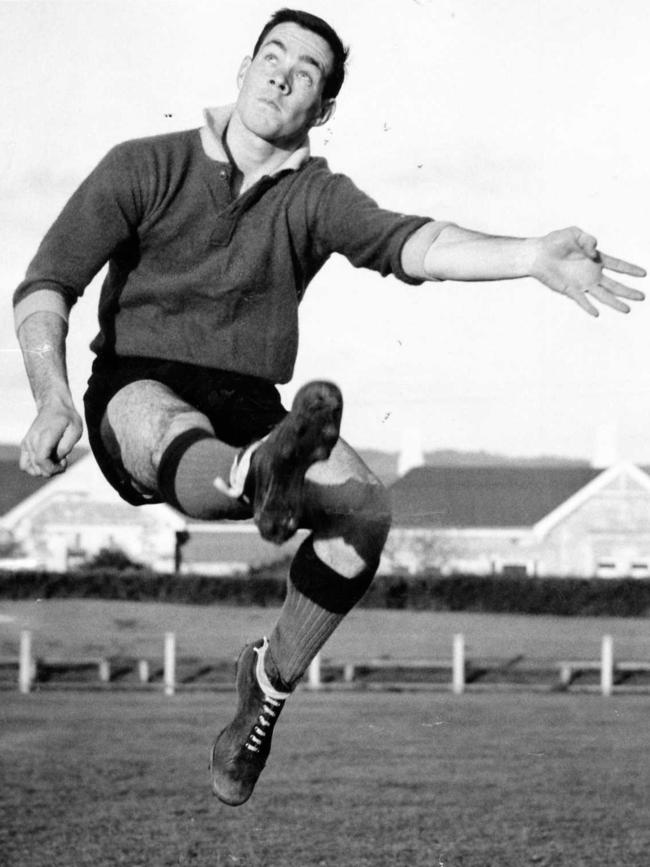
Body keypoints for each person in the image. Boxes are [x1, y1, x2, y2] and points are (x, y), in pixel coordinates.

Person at [13, 8, 645, 806]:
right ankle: (250, 469)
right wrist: (51, 396)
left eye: (305, 71)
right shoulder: (144, 165)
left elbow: (414, 242)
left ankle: (266, 685)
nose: (281, 73)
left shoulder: (316, 197)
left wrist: (529, 257)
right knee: (167, 421)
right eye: (271, 56)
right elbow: (46, 285)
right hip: (136, 385)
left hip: (250, 398)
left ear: (323, 109)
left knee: (367, 508)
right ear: (243, 69)